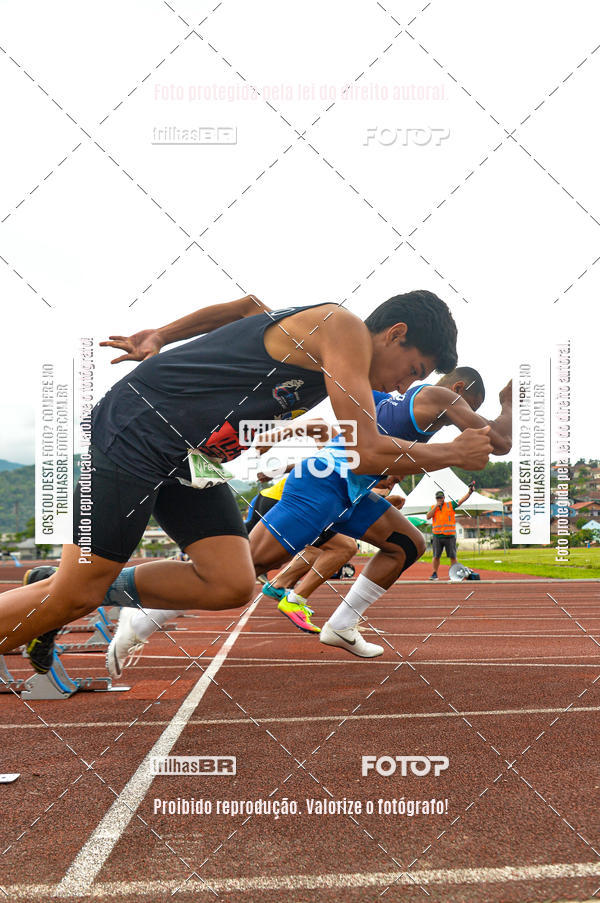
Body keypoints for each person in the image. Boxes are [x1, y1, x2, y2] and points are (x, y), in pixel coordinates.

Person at [3, 290, 493, 674]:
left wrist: (163, 334)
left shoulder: (321, 349)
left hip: (191, 459)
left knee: (230, 582)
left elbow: (248, 307)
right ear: (395, 334)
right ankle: (64, 591)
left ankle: (63, 588)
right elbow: (363, 450)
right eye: (413, 370)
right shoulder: (341, 327)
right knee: (76, 593)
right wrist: (452, 453)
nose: (405, 386)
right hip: (141, 430)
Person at [248, 367, 511, 657]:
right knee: (249, 566)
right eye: (470, 407)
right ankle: (214, 587)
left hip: (351, 495)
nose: (467, 419)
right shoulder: (440, 396)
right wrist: (510, 404)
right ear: (458, 388)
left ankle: (341, 626)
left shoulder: (385, 401)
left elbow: (343, 409)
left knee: (407, 545)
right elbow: (500, 442)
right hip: (321, 486)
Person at [427, 485, 474, 580]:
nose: (440, 499)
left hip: (450, 536)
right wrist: (436, 506)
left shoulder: (450, 505)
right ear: (436, 499)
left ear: (444, 498)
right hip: (437, 536)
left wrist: (469, 492)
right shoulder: (433, 507)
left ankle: (455, 574)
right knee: (436, 556)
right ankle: (434, 573)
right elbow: (428, 516)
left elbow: (461, 500)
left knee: (452, 556)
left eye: (441, 498)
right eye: (438, 498)